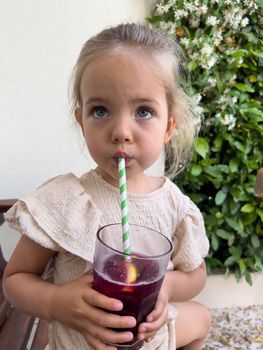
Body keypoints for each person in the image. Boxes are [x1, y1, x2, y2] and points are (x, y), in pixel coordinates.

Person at [3, 23, 211, 350]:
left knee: (200, 317)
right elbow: (15, 281)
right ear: (81, 119)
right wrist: (57, 303)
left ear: (169, 126)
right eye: (100, 110)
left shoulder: (174, 205)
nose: (121, 131)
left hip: (149, 340)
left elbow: (196, 274)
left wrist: (168, 286)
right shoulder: (66, 201)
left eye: (143, 111)